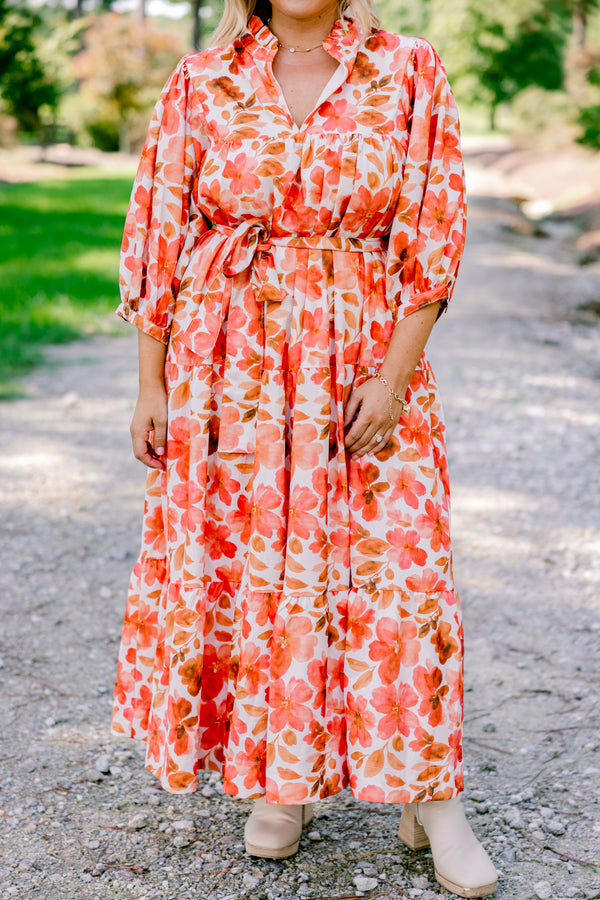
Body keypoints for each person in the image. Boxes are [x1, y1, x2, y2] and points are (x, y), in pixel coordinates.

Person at [111, 0, 499, 895]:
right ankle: (282, 779)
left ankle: (430, 793)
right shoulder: (201, 81)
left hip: (362, 356)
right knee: (261, 573)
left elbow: (433, 232)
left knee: (399, 568)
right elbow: (159, 234)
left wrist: (394, 377)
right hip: (230, 368)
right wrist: (152, 385)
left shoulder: (407, 69)